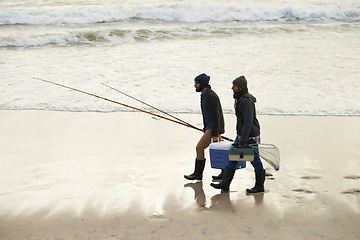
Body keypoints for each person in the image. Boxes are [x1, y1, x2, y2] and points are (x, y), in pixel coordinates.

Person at [211, 76, 266, 193]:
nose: (232, 88)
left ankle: (260, 186)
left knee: (255, 160)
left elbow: (248, 122)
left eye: (234, 86)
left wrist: (242, 140)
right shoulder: (239, 98)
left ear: (240, 88)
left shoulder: (246, 101)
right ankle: (225, 184)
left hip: (249, 136)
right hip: (242, 135)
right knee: (233, 157)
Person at [184, 73, 225, 181]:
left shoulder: (211, 95)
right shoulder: (204, 94)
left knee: (199, 147)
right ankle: (224, 173)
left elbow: (217, 115)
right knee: (220, 151)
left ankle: (198, 174)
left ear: (203, 84)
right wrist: (205, 127)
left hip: (214, 128)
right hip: (210, 127)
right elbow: (207, 114)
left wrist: (215, 133)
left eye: (196, 83)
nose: (195, 85)